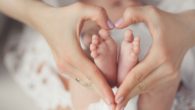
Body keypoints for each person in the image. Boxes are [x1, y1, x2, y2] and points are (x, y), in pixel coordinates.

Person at [1, 0, 195, 110]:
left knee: (86, 80)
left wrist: (187, 24)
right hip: (95, 35)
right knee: (81, 67)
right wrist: (41, 15)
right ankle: (158, 93)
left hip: (151, 40)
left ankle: (100, 71)